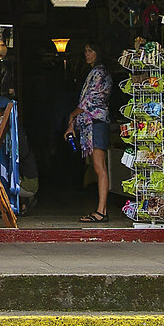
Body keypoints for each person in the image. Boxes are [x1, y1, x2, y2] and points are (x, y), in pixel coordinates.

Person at [65, 41, 113, 223]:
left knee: (99, 167)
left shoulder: (99, 73)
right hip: (93, 122)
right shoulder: (95, 72)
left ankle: (101, 211)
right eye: (85, 50)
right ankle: (102, 209)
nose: (87, 54)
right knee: (97, 166)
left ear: (98, 52)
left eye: (90, 50)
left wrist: (72, 115)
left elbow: (88, 102)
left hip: (97, 123)